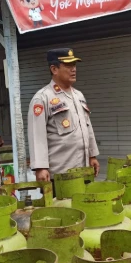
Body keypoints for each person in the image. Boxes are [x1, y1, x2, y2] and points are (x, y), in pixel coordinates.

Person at [28, 48, 100, 182]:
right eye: (68, 65)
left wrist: (92, 155)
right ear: (54, 69)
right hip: (60, 174)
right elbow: (37, 135)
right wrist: (40, 167)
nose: (74, 69)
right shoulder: (43, 98)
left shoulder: (79, 95)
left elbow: (88, 128)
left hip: (84, 171)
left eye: (74, 65)